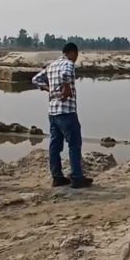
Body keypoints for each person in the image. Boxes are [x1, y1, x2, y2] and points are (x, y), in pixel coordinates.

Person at [32, 43, 93, 189]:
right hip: (67, 111)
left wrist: (49, 89)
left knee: (55, 146)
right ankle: (77, 178)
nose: (75, 59)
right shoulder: (68, 63)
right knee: (74, 145)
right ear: (73, 53)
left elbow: (35, 79)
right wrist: (66, 88)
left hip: (53, 112)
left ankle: (57, 177)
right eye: (76, 56)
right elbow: (66, 73)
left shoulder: (52, 66)